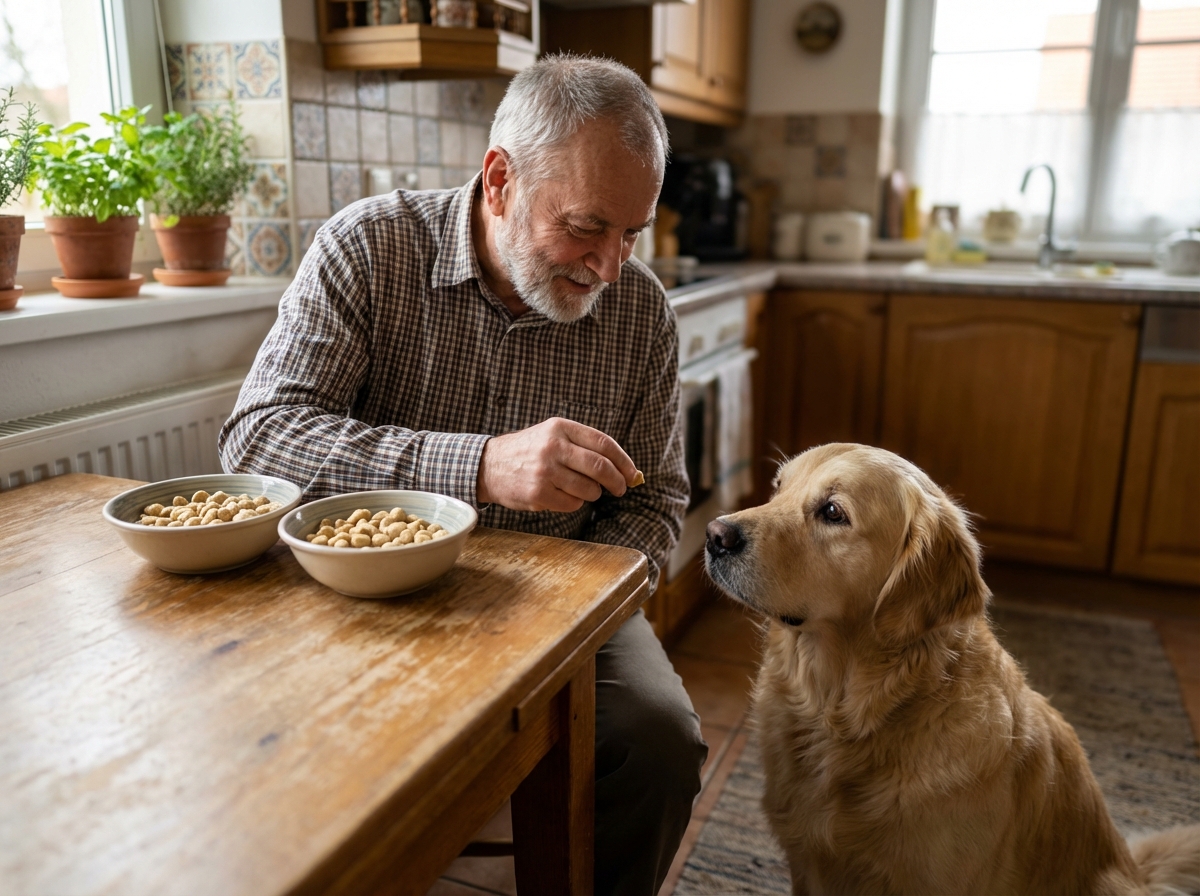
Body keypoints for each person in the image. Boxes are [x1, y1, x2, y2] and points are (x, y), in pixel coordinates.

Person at [219, 55, 707, 894]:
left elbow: (658, 504)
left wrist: (563, 609)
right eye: (588, 226)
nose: (610, 266)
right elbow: (258, 441)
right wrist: (478, 466)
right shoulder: (368, 247)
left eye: (633, 232)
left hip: (565, 605)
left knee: (658, 737)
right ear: (499, 181)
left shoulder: (641, 315)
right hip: (359, 596)